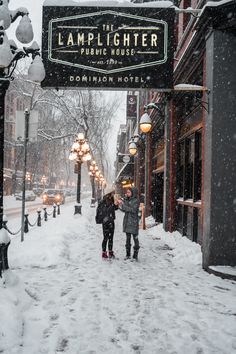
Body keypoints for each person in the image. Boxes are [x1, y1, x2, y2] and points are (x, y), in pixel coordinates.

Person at [118, 187, 140, 260]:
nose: (127, 193)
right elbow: (125, 210)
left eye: (129, 192)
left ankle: (135, 255)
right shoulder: (127, 200)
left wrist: (123, 206)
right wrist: (120, 205)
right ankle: (127, 255)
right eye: (127, 192)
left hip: (133, 222)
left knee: (135, 239)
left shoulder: (136, 200)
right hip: (127, 222)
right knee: (127, 240)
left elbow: (133, 210)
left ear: (132, 193)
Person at [96, 190, 118, 259]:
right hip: (106, 222)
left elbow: (114, 208)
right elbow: (107, 210)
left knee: (111, 238)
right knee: (106, 238)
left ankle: (110, 252)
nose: (113, 194)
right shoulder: (103, 202)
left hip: (111, 221)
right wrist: (113, 205)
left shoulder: (111, 200)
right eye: (112, 193)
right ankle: (104, 253)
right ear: (109, 194)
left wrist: (116, 204)